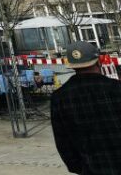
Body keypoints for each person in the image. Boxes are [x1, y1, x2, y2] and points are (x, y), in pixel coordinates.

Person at [51, 41, 121, 174]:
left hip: (91, 168)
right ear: (98, 61)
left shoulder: (59, 97)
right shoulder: (117, 88)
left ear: (72, 67)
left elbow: (63, 142)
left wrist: (80, 168)